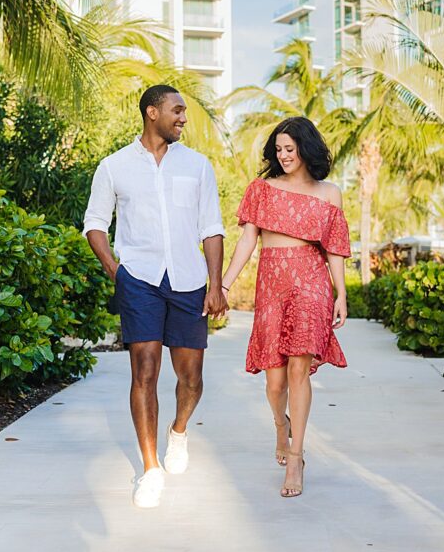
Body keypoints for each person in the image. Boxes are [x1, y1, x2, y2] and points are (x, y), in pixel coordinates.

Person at [83, 84, 228, 509]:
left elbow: (211, 228)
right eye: (177, 110)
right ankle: (150, 469)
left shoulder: (197, 166)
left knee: (191, 378)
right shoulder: (114, 166)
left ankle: (178, 431)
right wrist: (117, 270)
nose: (183, 118)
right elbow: (95, 223)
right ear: (152, 112)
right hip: (140, 280)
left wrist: (216, 284)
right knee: (143, 372)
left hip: (188, 281)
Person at [219, 116, 350, 498]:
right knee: (274, 382)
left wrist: (340, 293)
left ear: (306, 149)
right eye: (278, 150)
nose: (283, 155)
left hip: (312, 283)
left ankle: (296, 457)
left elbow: (335, 249)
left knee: (299, 371)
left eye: (290, 149)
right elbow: (247, 241)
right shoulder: (262, 189)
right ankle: (281, 425)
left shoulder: (330, 193)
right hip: (272, 284)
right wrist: (224, 285)